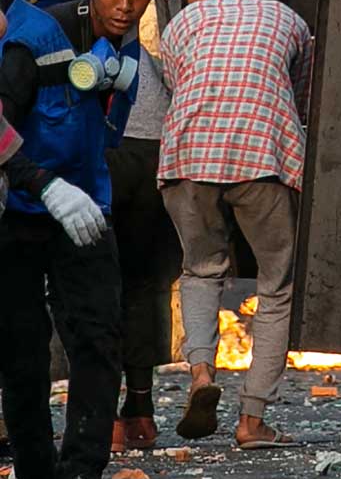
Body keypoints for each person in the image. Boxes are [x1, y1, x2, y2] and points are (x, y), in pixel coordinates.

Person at [0, 0, 170, 479]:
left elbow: (105, 131)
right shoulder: (31, 41)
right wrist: (45, 188)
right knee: (22, 354)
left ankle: (81, 471)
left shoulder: (127, 52)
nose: (126, 6)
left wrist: (85, 194)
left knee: (99, 343)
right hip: (20, 213)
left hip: (86, 212)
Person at [158, 0, 311, 449]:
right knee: (277, 286)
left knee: (200, 271)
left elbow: (180, 88)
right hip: (263, 157)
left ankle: (202, 374)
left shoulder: (179, 26)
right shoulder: (290, 22)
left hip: (188, 159)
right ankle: (252, 421)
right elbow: (302, 89)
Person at [107, 47, 179, 453]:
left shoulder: (56, 29)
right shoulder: (147, 56)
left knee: (96, 284)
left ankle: (106, 419)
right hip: (155, 151)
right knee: (145, 285)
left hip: (106, 151)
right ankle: (140, 409)